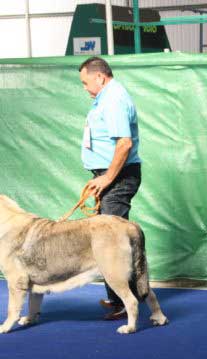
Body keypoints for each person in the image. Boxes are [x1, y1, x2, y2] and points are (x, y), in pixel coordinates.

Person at [78, 56, 142, 321]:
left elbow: (124, 144)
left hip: (116, 177)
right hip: (109, 175)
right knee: (110, 238)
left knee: (111, 241)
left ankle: (123, 302)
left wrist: (106, 179)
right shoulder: (105, 97)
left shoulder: (114, 99)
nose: (84, 87)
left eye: (85, 82)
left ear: (99, 77)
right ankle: (121, 297)